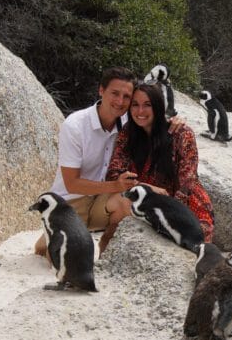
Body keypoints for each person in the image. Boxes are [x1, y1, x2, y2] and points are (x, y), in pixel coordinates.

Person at [34, 67, 140, 257]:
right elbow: (71, 183)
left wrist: (175, 121)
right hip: (69, 202)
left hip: (99, 200)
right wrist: (115, 185)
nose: (120, 101)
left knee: (128, 204)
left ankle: (107, 251)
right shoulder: (75, 126)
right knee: (65, 256)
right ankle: (50, 238)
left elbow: (153, 118)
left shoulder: (127, 123)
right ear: (101, 90)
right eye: (115, 93)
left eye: (126, 96)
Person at [101, 81, 214, 251]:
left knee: (192, 250)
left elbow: (187, 183)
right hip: (146, 200)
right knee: (121, 210)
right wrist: (146, 187)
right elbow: (114, 173)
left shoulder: (180, 133)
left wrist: (169, 215)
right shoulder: (128, 132)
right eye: (135, 105)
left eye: (147, 105)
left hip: (183, 206)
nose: (140, 111)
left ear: (158, 106)